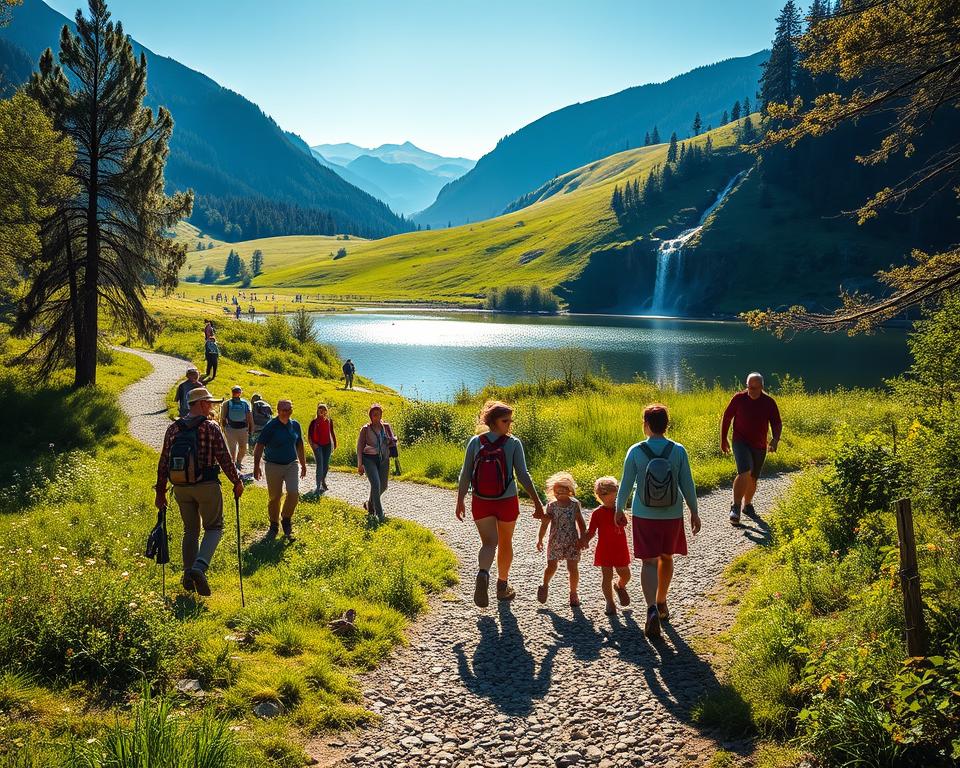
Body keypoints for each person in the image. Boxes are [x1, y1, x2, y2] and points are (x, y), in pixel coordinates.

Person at [616, 403, 700, 639]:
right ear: (666, 424)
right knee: (667, 557)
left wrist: (619, 508)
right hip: (672, 515)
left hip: (644, 514)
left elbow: (625, 483)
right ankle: (662, 602)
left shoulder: (636, 451)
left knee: (649, 562)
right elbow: (687, 484)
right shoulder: (678, 450)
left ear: (646, 424)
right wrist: (694, 511)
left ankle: (651, 608)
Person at [155, 387, 244, 596]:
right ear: (201, 404)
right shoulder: (211, 427)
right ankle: (199, 568)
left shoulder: (173, 428)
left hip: (181, 488)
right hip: (207, 486)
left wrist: (160, 492)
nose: (211, 406)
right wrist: (237, 481)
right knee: (214, 527)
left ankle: (187, 573)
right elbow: (224, 457)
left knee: (190, 530)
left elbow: (163, 462)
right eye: (209, 403)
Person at [455, 400, 545, 607]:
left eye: (510, 420)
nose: (509, 424)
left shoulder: (475, 442)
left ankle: (483, 573)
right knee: (505, 542)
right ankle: (502, 586)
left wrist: (460, 500)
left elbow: (465, 474)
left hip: (481, 501)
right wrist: (537, 503)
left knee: (489, 543)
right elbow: (523, 475)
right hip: (506, 501)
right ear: (493, 421)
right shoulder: (513, 443)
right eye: (505, 421)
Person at [721, 372, 782, 525]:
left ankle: (747, 505)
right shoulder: (739, 398)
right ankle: (735, 506)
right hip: (740, 441)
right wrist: (723, 439)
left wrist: (775, 439)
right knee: (745, 471)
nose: (752, 391)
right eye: (749, 387)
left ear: (762, 387)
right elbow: (727, 417)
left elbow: (776, 422)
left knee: (753, 477)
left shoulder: (769, 402)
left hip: (759, 444)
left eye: (755, 388)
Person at [253, 399, 307, 541]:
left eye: (289, 409)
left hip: (291, 464)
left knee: (294, 493)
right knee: (275, 497)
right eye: (284, 409)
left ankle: (286, 520)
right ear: (278, 410)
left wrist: (303, 464)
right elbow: (259, 446)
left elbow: (300, 445)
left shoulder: (295, 425)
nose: (287, 412)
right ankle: (273, 525)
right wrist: (256, 466)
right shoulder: (271, 426)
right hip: (273, 465)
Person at [579, 476, 632, 616]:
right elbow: (591, 531)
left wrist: (621, 514)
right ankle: (610, 602)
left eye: (615, 496)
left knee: (626, 574)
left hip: (620, 549)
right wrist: (585, 540)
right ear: (600, 496)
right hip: (605, 549)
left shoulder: (619, 510)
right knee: (606, 577)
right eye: (607, 496)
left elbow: (624, 522)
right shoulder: (597, 513)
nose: (611, 499)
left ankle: (620, 585)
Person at [536, 472, 587, 607]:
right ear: (553, 492)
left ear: (570, 491)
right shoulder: (552, 505)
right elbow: (545, 524)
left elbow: (581, 523)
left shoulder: (575, 505)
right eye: (557, 491)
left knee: (573, 567)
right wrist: (540, 539)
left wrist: (583, 539)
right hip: (555, 540)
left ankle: (573, 593)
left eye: (563, 490)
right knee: (552, 566)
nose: (559, 493)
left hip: (572, 540)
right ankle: (545, 585)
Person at [356, 403, 396, 522]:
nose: (376, 415)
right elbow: (359, 447)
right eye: (373, 413)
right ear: (370, 415)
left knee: (383, 486)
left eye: (378, 412)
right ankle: (379, 514)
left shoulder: (386, 427)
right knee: (376, 484)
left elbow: (392, 442)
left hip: (384, 459)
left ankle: (369, 504)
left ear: (381, 414)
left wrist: (390, 440)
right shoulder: (366, 429)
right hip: (369, 459)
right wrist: (360, 464)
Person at [220, 385, 253, 472]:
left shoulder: (244, 403)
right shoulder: (227, 404)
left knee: (241, 448)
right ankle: (234, 464)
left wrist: (250, 427)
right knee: (235, 448)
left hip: (238, 429)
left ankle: (237, 462)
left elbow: (249, 416)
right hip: (233, 429)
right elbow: (223, 418)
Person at [308, 403, 338, 493]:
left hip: (327, 445)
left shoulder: (329, 421)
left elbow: (332, 432)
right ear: (317, 411)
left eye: (324, 410)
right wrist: (313, 444)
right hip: (317, 445)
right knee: (320, 464)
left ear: (326, 411)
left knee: (326, 465)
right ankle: (318, 486)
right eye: (320, 410)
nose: (322, 412)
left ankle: (323, 480)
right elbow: (309, 435)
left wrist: (335, 443)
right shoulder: (314, 422)